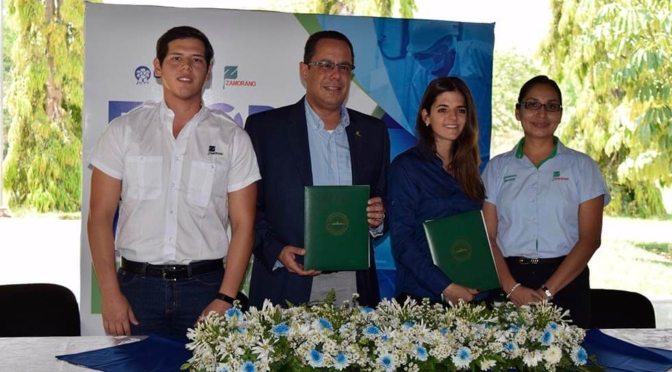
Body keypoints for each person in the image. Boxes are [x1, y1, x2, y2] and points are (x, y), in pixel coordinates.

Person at [87, 26, 260, 339]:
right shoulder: (124, 131)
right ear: (158, 66)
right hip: (137, 289)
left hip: (206, 288)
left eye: (196, 60)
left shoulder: (233, 138)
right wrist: (110, 295)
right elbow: (99, 218)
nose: (186, 67)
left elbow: (244, 225)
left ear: (208, 71)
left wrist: (225, 298)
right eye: (176, 58)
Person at [245, 30, 389, 308]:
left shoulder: (373, 132)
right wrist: (276, 251)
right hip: (287, 278)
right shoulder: (264, 129)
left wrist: (379, 218)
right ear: (305, 70)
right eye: (325, 65)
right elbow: (248, 209)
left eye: (344, 67)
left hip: (354, 282)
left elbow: (384, 199)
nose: (336, 75)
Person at [482, 75, 610, 328]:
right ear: (518, 112)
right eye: (532, 104)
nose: (542, 113)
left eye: (551, 106)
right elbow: (488, 236)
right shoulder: (497, 168)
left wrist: (547, 294)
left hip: (566, 281)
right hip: (508, 280)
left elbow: (590, 239)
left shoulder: (582, 167)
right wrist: (511, 288)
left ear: (560, 114)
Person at [389, 76, 485, 305]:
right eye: (443, 109)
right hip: (423, 299)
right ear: (426, 117)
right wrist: (446, 287)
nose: (453, 118)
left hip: (472, 296)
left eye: (460, 110)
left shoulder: (470, 169)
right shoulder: (406, 167)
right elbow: (403, 242)